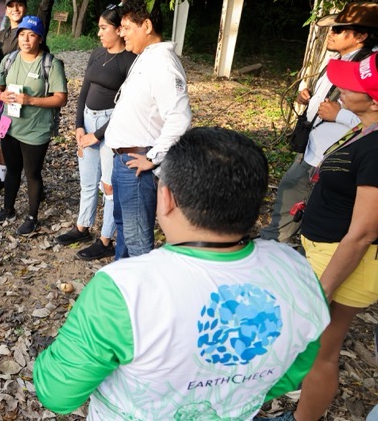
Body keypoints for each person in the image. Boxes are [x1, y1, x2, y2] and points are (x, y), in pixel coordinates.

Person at [33, 127, 330, 421]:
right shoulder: (299, 273)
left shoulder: (124, 290)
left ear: (167, 198)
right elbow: (291, 373)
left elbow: (58, 393)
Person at [269, 54, 378, 421]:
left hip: (343, 262)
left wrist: (324, 289)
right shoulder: (364, 129)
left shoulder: (377, 148)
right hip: (326, 251)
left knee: (322, 351)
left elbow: (364, 231)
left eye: (353, 86)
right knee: (316, 347)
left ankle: (303, 419)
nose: (342, 89)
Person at [260, 2, 378, 242]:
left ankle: (278, 248)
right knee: (293, 193)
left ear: (362, 35)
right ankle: (278, 244)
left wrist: (339, 115)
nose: (331, 34)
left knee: (309, 205)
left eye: (338, 30)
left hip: (333, 155)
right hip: (314, 148)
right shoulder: (340, 59)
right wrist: (309, 97)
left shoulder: (368, 68)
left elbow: (372, 116)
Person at [105, 0, 192, 258]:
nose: (121, 33)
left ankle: (141, 294)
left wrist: (152, 158)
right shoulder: (146, 57)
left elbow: (180, 118)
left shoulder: (163, 63)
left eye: (127, 27)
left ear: (147, 26)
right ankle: (123, 284)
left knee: (138, 241)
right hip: (124, 160)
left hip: (137, 164)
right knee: (125, 230)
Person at [55, 6, 137, 260]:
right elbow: (84, 90)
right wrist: (79, 125)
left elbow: (126, 108)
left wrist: (97, 135)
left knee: (109, 185)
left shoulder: (130, 61)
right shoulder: (98, 52)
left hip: (111, 126)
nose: (99, 33)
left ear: (118, 30)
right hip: (88, 120)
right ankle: (83, 226)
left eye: (104, 28)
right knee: (88, 180)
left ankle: (105, 239)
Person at [0, 0, 64, 197]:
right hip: (7, 99)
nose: (15, 9)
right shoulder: (0, 37)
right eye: (11, 6)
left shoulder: (36, 27)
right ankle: (2, 177)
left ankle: (34, 182)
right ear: (6, 10)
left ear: (25, 9)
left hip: (35, 98)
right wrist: (3, 91)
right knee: (4, 137)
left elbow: (46, 6)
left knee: (32, 143)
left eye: (19, 5)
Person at [0, 16, 68, 235]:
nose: (25, 39)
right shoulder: (9, 59)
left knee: (32, 174)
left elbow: (61, 98)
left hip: (36, 129)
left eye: (31, 35)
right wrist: (1, 95)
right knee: (12, 170)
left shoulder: (50, 63)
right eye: (22, 34)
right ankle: (8, 209)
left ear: (40, 39)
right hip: (10, 125)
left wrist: (31, 101)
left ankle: (32, 217)